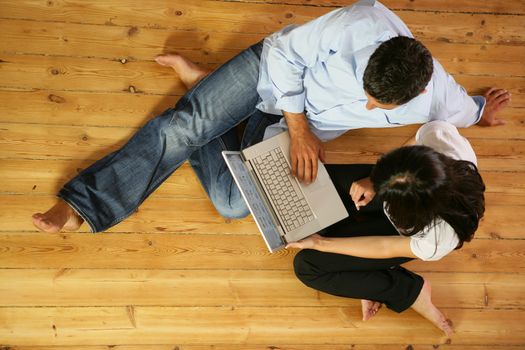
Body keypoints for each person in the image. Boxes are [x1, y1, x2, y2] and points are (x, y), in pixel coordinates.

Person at [32, 0, 507, 233]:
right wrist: (300, 130)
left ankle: (203, 87)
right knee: (185, 126)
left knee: (231, 203)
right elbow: (283, 52)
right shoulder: (357, 23)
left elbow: (466, 111)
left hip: (295, 125)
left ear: (420, 91)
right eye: (366, 94)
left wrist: (484, 111)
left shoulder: (440, 97)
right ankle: (84, 204)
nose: (365, 110)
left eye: (378, 109)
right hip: (270, 75)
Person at [286, 120, 485, 337]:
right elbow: (413, 144)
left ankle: (407, 291)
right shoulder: (441, 138)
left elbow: (384, 247)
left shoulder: (437, 240)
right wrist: (374, 179)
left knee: (307, 265)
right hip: (403, 191)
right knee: (312, 183)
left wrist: (320, 243)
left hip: (400, 232)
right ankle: (364, 276)